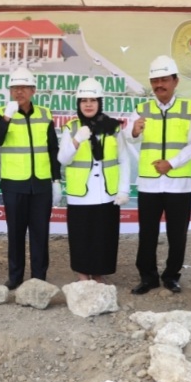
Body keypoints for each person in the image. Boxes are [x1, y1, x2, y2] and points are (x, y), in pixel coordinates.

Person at [126, 55, 191, 295]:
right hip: (149, 185)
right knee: (147, 234)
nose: (159, 85)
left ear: (175, 81)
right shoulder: (142, 109)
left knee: (177, 235)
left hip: (180, 185)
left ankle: (171, 276)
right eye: (155, 80)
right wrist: (133, 131)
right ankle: (147, 277)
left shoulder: (189, 109)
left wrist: (171, 163)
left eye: (164, 79)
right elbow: (127, 137)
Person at [0, 67, 61, 290]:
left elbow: (53, 149)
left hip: (41, 184)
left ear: (33, 90)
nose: (18, 92)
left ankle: (39, 277)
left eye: (23, 87)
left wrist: (56, 180)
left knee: (40, 233)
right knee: (16, 233)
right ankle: (15, 277)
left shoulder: (45, 114)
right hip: (14, 184)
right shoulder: (1, 112)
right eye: (14, 88)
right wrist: (6, 117)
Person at [57, 77, 130, 282]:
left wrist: (124, 190)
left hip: (107, 194)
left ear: (100, 102)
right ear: (78, 103)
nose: (88, 104)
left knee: (103, 238)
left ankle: (98, 275)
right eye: (84, 100)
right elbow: (62, 159)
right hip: (80, 195)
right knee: (81, 238)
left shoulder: (113, 128)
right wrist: (76, 140)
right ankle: (82, 276)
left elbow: (124, 159)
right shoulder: (71, 128)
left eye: (93, 100)